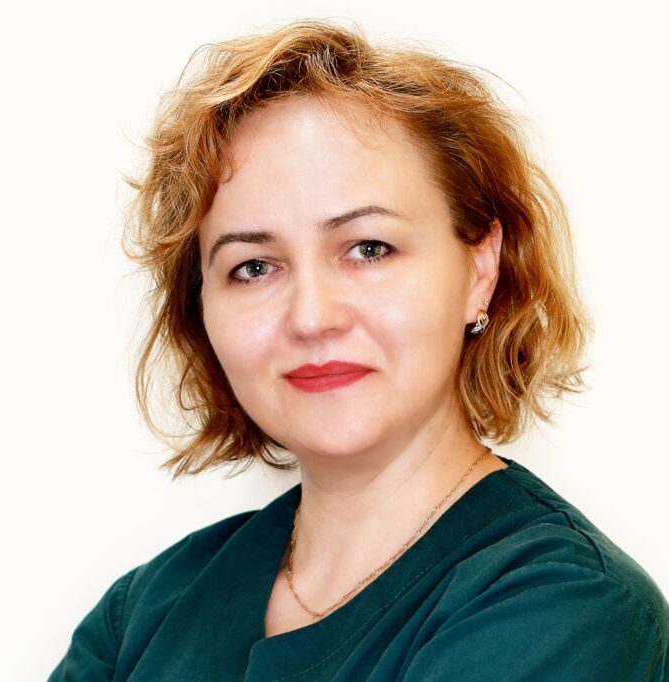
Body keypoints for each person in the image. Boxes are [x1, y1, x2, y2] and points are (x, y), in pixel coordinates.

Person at [48, 18, 669, 681]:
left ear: (479, 270)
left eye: (370, 249)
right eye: (253, 267)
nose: (312, 317)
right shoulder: (140, 615)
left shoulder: (567, 608)